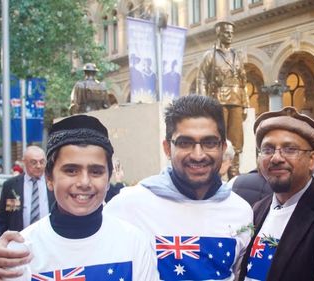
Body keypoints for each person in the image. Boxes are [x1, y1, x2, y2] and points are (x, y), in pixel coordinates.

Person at [0, 115, 158, 280]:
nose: (84, 182)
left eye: (96, 172)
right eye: (71, 170)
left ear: (108, 179)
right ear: (49, 178)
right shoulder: (19, 254)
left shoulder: (134, 243)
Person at [104, 95, 253, 280]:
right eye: (185, 143)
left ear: (222, 148)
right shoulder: (129, 206)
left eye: (209, 143)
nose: (198, 155)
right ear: (167, 148)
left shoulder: (241, 211)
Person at [238, 106, 314, 281]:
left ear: (312, 159)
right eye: (268, 150)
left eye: (289, 149)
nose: (276, 158)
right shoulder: (257, 209)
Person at [198, 20, 250, 178]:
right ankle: (218, 170)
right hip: (218, 101)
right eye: (227, 32)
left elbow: (243, 80)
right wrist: (203, 104)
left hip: (236, 100)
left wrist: (246, 102)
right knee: (218, 138)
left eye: (232, 33)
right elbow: (202, 79)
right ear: (218, 33)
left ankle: (234, 171)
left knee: (236, 140)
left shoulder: (237, 55)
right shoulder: (209, 55)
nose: (230, 35)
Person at [0, 146, 54, 234]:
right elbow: (3, 217)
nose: (38, 166)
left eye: (42, 162)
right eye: (34, 162)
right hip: (19, 239)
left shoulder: (54, 183)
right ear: (24, 162)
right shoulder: (11, 185)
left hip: (49, 236)